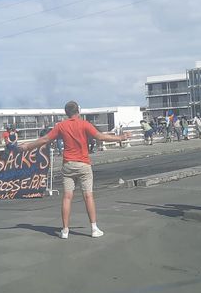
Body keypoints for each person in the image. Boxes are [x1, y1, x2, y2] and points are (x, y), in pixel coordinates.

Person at [19, 101, 129, 239]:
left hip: (68, 164)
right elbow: (100, 137)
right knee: (88, 196)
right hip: (83, 164)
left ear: (66, 113)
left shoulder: (61, 126)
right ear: (78, 111)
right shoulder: (84, 124)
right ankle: (94, 228)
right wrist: (120, 138)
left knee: (67, 197)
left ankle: (65, 230)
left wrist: (28, 146)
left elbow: (45, 139)